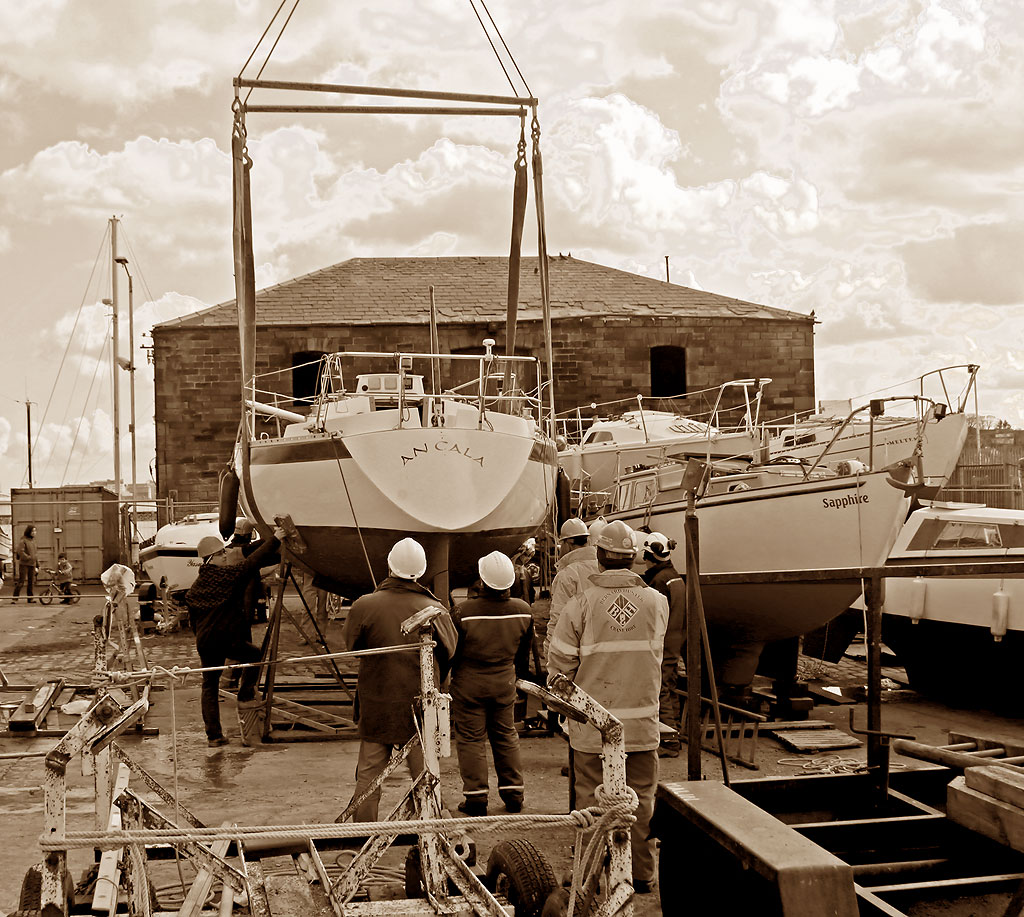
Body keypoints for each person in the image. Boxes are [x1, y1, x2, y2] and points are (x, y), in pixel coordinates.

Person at [547, 519, 669, 895]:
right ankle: (643, 874)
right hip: (642, 727)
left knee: (590, 803)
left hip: (593, 728)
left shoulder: (579, 606)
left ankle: (589, 873)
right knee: (640, 802)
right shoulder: (656, 602)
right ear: (633, 558)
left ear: (598, 557)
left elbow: (560, 671)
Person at [341, 537, 457, 822]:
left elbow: (353, 647)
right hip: (421, 710)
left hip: (377, 707)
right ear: (423, 570)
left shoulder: (364, 606)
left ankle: (362, 835)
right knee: (425, 778)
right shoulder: (436, 609)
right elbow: (452, 651)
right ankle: (431, 833)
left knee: (369, 779)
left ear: (390, 566)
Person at [450, 551, 534, 817]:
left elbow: (452, 651)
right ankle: (513, 794)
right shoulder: (523, 611)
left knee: (471, 739)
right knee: (506, 734)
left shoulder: (463, 612)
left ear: (482, 581)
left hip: (469, 683)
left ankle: (476, 798)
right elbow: (524, 652)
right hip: (504, 681)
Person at [184, 526, 283, 747]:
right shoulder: (226, 577)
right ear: (212, 558)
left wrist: (201, 638)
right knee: (254, 654)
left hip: (205, 642)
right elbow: (253, 562)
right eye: (222, 553)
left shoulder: (196, 587)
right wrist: (276, 538)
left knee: (209, 684)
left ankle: (214, 736)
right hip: (225, 639)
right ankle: (245, 693)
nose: (227, 554)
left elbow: (193, 622)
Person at [639, 533, 685, 758]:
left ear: (649, 555)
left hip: (662, 641)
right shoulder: (674, 576)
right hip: (674, 639)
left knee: (661, 689)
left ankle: (669, 743)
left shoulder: (658, 581)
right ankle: (674, 732)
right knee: (669, 685)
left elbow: (651, 615)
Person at [543, 517, 600, 658]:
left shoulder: (568, 575)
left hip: (576, 647)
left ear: (568, 543)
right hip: (602, 644)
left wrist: (550, 648)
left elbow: (558, 617)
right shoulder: (602, 567)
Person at [13, 525, 38, 603]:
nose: (34, 533)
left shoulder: (33, 541)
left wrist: (37, 564)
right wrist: (28, 558)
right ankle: (15, 598)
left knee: (31, 582)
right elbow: (21, 552)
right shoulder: (23, 540)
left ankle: (30, 598)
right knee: (21, 581)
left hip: (32, 564)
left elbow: (35, 554)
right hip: (24, 564)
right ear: (29, 532)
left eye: (35, 531)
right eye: (33, 531)